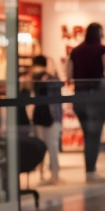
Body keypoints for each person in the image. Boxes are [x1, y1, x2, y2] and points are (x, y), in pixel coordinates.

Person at [66, 23, 105, 181]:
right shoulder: (102, 50)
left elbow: (68, 75)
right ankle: (90, 170)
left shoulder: (75, 51)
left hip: (80, 96)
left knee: (87, 132)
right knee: (94, 134)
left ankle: (89, 168)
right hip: (97, 96)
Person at [30, 55, 63, 185]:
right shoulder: (36, 80)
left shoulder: (50, 79)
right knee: (43, 145)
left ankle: (54, 173)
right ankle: (43, 173)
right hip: (42, 116)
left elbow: (59, 85)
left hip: (51, 116)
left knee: (51, 145)